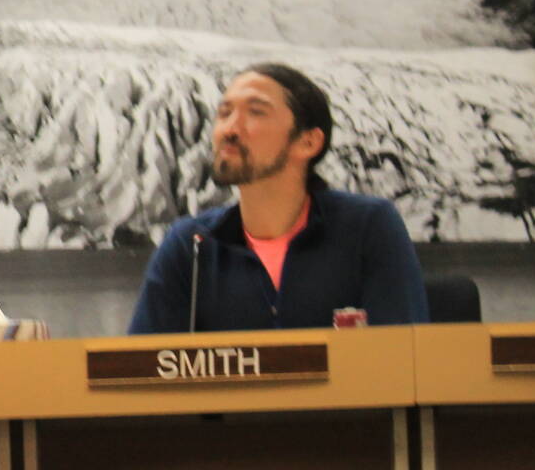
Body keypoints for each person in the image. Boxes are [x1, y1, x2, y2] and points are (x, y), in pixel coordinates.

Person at [128, 62, 428, 334]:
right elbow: (137, 376)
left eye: (256, 112)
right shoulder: (190, 245)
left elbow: (406, 363)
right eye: (224, 113)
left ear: (307, 142)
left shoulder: (368, 227)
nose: (230, 129)